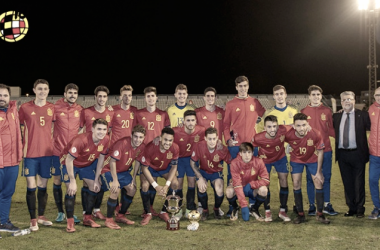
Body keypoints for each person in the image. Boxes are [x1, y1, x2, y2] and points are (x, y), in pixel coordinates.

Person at [223, 75, 265, 216]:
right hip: (236, 145)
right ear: (236, 87)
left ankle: (252, 204)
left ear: (248, 86)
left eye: (245, 86)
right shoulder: (230, 104)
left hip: (252, 145)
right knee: (232, 174)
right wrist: (228, 138)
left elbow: (264, 115)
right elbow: (225, 124)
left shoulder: (255, 101)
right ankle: (233, 206)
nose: (242, 88)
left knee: (253, 173)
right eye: (240, 86)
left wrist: (257, 133)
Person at [61, 118, 110, 232]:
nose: (101, 132)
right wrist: (72, 181)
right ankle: (70, 222)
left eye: (104, 129)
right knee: (70, 189)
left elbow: (101, 158)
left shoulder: (106, 139)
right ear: (92, 129)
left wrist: (97, 178)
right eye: (98, 129)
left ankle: (87, 218)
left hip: (86, 164)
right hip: (69, 162)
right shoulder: (81, 140)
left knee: (94, 188)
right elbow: (69, 160)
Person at [19, 79, 55, 231]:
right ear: (34, 90)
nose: (42, 91)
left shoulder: (52, 108)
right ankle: (33, 219)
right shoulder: (25, 107)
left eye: (45, 89)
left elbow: (54, 128)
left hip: (47, 154)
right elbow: (20, 128)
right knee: (31, 185)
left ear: (48, 90)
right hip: (30, 153)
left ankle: (41, 216)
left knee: (43, 185)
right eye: (39, 89)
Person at [285, 113, 330, 224]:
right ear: (294, 126)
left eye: (304, 125)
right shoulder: (288, 134)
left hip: (312, 159)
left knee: (318, 182)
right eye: (298, 125)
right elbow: (278, 133)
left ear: (307, 124)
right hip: (296, 160)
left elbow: (320, 152)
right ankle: (300, 215)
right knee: (296, 184)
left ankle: (320, 214)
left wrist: (319, 172)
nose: (301, 128)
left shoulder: (315, 133)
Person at [99, 124, 146, 229]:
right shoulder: (123, 143)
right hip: (108, 170)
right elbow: (112, 162)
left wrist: (133, 178)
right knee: (116, 190)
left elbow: (138, 161)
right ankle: (109, 220)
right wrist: (115, 181)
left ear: (144, 138)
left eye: (140, 137)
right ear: (131, 135)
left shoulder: (142, 146)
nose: (138, 140)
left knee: (132, 189)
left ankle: (120, 215)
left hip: (123, 172)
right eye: (135, 136)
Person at [333, 91, 370, 218]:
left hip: (358, 154)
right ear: (341, 102)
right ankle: (351, 208)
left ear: (354, 100)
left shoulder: (363, 115)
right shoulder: (336, 116)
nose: (347, 101)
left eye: (349, 99)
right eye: (344, 99)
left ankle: (360, 209)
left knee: (359, 182)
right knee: (347, 182)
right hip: (343, 155)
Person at [301, 85, 337, 216]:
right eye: (313, 95)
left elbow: (331, 129)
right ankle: (312, 205)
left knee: (326, 177)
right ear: (309, 96)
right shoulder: (303, 111)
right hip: (310, 152)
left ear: (321, 96)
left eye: (318, 95)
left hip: (326, 149)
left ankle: (327, 204)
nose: (316, 97)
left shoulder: (327, 111)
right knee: (310, 179)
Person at [79, 85, 114, 220]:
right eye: (99, 96)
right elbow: (80, 130)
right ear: (95, 97)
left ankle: (97, 209)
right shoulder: (86, 112)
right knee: (86, 182)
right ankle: (85, 211)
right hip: (87, 153)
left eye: (104, 96)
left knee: (100, 179)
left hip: (102, 152)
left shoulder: (110, 112)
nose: (102, 98)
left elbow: (109, 132)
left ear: (107, 98)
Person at [136, 86, 170, 217]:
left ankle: (150, 207)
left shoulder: (163, 114)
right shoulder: (139, 114)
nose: (150, 98)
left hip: (158, 154)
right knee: (144, 183)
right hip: (144, 154)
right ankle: (146, 210)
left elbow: (168, 134)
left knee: (153, 181)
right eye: (148, 96)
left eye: (152, 96)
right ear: (145, 98)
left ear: (157, 98)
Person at [52, 84, 82, 224]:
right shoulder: (56, 107)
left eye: (75, 93)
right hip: (57, 151)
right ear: (65, 94)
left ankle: (70, 213)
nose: (72, 95)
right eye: (70, 92)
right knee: (57, 181)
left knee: (70, 183)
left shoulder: (80, 110)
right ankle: (60, 212)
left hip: (72, 154)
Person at [252, 115, 292, 222]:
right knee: (266, 183)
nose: (272, 129)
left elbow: (294, 126)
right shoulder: (258, 137)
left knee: (283, 179)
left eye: (274, 126)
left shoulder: (282, 129)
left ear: (278, 126)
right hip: (265, 160)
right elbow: (252, 147)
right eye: (269, 127)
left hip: (280, 157)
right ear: (264, 128)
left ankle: (283, 210)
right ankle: (267, 211)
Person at [139, 127, 180, 225]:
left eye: (170, 140)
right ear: (160, 138)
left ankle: (163, 211)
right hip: (150, 168)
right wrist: (156, 186)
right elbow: (144, 168)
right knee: (145, 185)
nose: (168, 143)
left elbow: (174, 167)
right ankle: (147, 213)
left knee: (175, 184)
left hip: (164, 168)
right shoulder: (150, 147)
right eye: (165, 139)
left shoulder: (175, 148)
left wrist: (166, 185)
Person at [194, 87, 225, 215]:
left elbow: (228, 125)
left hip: (217, 150)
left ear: (215, 97)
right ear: (204, 98)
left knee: (218, 185)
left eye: (212, 96)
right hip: (202, 151)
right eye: (208, 96)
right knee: (200, 180)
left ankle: (217, 207)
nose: (210, 98)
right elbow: (191, 126)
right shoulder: (198, 112)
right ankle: (202, 205)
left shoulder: (221, 112)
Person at [190, 127, 231, 220]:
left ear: (217, 138)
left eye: (214, 139)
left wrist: (233, 178)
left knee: (219, 190)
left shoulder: (222, 149)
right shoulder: (199, 146)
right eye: (209, 139)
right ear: (205, 138)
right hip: (203, 171)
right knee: (201, 187)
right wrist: (199, 177)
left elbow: (231, 163)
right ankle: (205, 210)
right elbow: (192, 163)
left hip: (216, 173)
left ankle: (216, 209)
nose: (212, 141)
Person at [172, 110, 205, 219]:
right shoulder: (176, 131)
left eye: (192, 120)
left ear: (196, 121)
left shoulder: (201, 130)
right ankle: (178, 208)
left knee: (191, 183)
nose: (190, 123)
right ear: (184, 121)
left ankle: (190, 207)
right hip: (180, 160)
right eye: (188, 120)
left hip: (192, 160)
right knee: (178, 184)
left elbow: (209, 137)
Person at [226, 142, 269, 222]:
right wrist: (244, 205)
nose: (247, 155)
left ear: (252, 153)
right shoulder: (235, 163)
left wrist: (252, 184)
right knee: (229, 191)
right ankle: (235, 208)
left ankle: (254, 209)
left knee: (264, 190)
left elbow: (266, 179)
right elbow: (237, 184)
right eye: (244, 152)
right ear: (240, 153)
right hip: (239, 188)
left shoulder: (259, 161)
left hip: (251, 189)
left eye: (249, 152)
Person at [0, 84, 22, 235]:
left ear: (9, 97)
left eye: (4, 95)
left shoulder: (13, 110)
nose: (2, 98)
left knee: (7, 193)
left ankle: (3, 221)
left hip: (13, 162)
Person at [368, 87, 380, 219]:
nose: (379, 97)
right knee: (372, 180)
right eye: (377, 95)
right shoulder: (370, 109)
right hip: (374, 154)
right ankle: (377, 207)